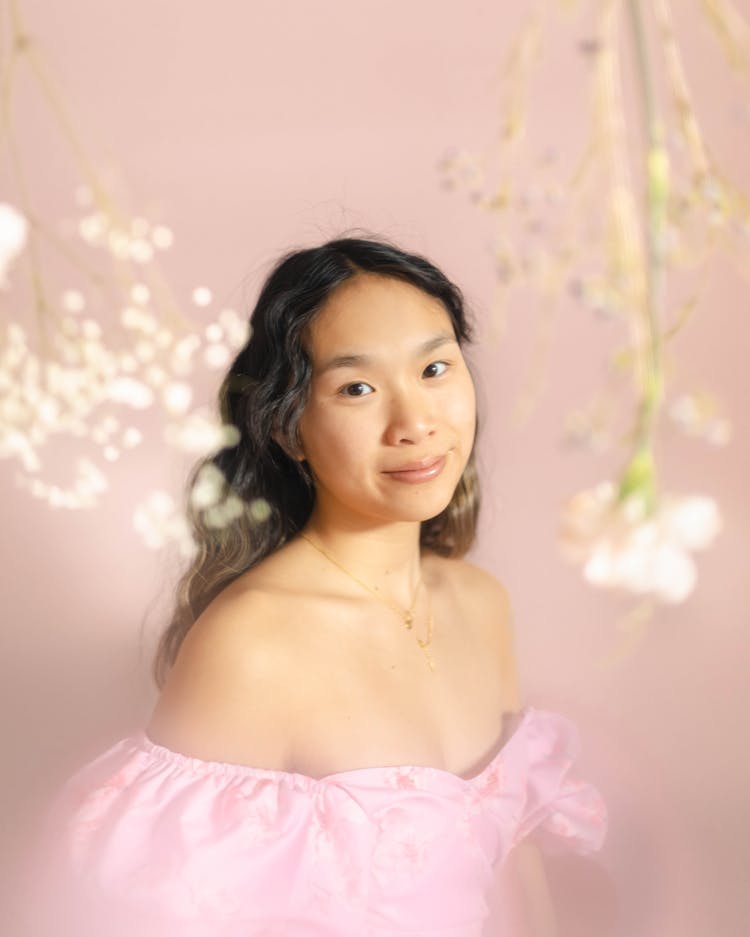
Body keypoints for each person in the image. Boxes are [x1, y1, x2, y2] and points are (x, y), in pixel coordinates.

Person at [20, 236, 608, 937]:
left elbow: (515, 867)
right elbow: (133, 917)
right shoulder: (253, 641)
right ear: (289, 427)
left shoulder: (480, 604)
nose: (415, 422)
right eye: (356, 387)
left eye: (434, 367)